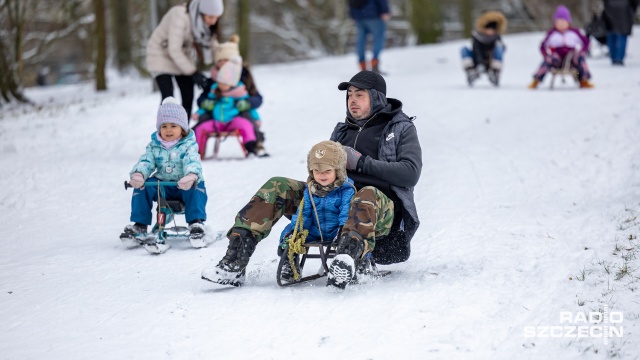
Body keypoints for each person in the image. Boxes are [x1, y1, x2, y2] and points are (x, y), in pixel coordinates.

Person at [201, 70, 422, 289]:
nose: (352, 100)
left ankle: (345, 261)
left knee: (366, 194)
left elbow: (410, 173)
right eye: (350, 95)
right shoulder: (343, 130)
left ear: (377, 98)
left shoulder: (400, 128)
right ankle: (233, 263)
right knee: (278, 185)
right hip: (335, 202)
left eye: (359, 95)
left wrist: (362, 163)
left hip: (380, 213)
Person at [120, 97, 208, 246]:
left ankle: (196, 223)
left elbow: (192, 161)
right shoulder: (155, 145)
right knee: (143, 186)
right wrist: (139, 174)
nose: (168, 130)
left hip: (184, 184)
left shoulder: (189, 145)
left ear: (182, 128)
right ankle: (139, 225)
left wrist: (191, 175)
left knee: (196, 187)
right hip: (163, 185)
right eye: (164, 126)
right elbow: (146, 161)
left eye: (173, 126)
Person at [277, 141, 356, 283]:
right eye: (317, 171)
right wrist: (297, 231)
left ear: (338, 171)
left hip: (335, 231)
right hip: (315, 230)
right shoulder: (311, 190)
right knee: (288, 233)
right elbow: (304, 212)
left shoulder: (346, 189)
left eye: (327, 171)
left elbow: (346, 212)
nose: (322, 175)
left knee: (355, 235)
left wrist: (342, 230)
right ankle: (290, 262)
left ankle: (359, 262)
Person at [146, 0, 223, 116]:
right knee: (168, 98)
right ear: (201, 12)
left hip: (181, 57)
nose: (213, 21)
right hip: (160, 54)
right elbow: (174, 49)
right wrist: (194, 72)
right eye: (211, 17)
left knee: (188, 95)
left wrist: (227, 60)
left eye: (216, 18)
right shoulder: (180, 15)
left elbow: (214, 45)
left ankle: (184, 131)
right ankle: (166, 130)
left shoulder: (204, 26)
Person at [196, 35, 268, 156]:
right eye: (219, 60)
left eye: (226, 60)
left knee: (247, 116)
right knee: (202, 120)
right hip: (215, 112)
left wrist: (247, 103)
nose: (223, 63)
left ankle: (256, 143)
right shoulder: (213, 79)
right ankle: (193, 147)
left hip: (238, 112)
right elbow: (203, 98)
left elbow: (257, 98)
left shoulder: (244, 75)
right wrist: (205, 103)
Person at [528, 5, 594, 89]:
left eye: (563, 22)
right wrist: (545, 54)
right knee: (549, 58)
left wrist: (583, 51)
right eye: (558, 22)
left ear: (568, 22)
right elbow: (543, 45)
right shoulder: (552, 33)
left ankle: (584, 80)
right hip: (557, 59)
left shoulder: (574, 32)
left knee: (579, 57)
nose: (561, 24)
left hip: (571, 59)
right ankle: (536, 80)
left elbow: (586, 41)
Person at [461, 11, 507, 87]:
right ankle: (471, 72)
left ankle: (495, 73)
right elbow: (476, 50)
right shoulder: (477, 37)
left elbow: (502, 50)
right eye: (489, 29)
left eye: (492, 30)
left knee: (499, 48)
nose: (490, 31)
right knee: (463, 49)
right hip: (477, 60)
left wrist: (501, 45)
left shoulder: (496, 37)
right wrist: (480, 63)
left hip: (490, 61)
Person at [348, 0, 391, 73]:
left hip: (359, 17)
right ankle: (374, 63)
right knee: (378, 39)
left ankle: (362, 65)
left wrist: (352, 15)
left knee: (361, 41)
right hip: (374, 15)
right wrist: (385, 11)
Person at [603, 0, 639, 65]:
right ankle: (619, 58)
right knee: (622, 35)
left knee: (611, 33)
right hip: (625, 10)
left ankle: (613, 57)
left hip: (610, 8)